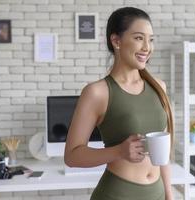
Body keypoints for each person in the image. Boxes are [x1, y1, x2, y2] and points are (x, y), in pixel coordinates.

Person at [64, 7, 174, 200]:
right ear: (116, 41)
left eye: (151, 39)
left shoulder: (159, 87)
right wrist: (119, 151)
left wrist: (169, 195)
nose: (147, 47)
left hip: (156, 194)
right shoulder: (97, 92)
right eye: (139, 38)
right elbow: (72, 156)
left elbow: (162, 152)